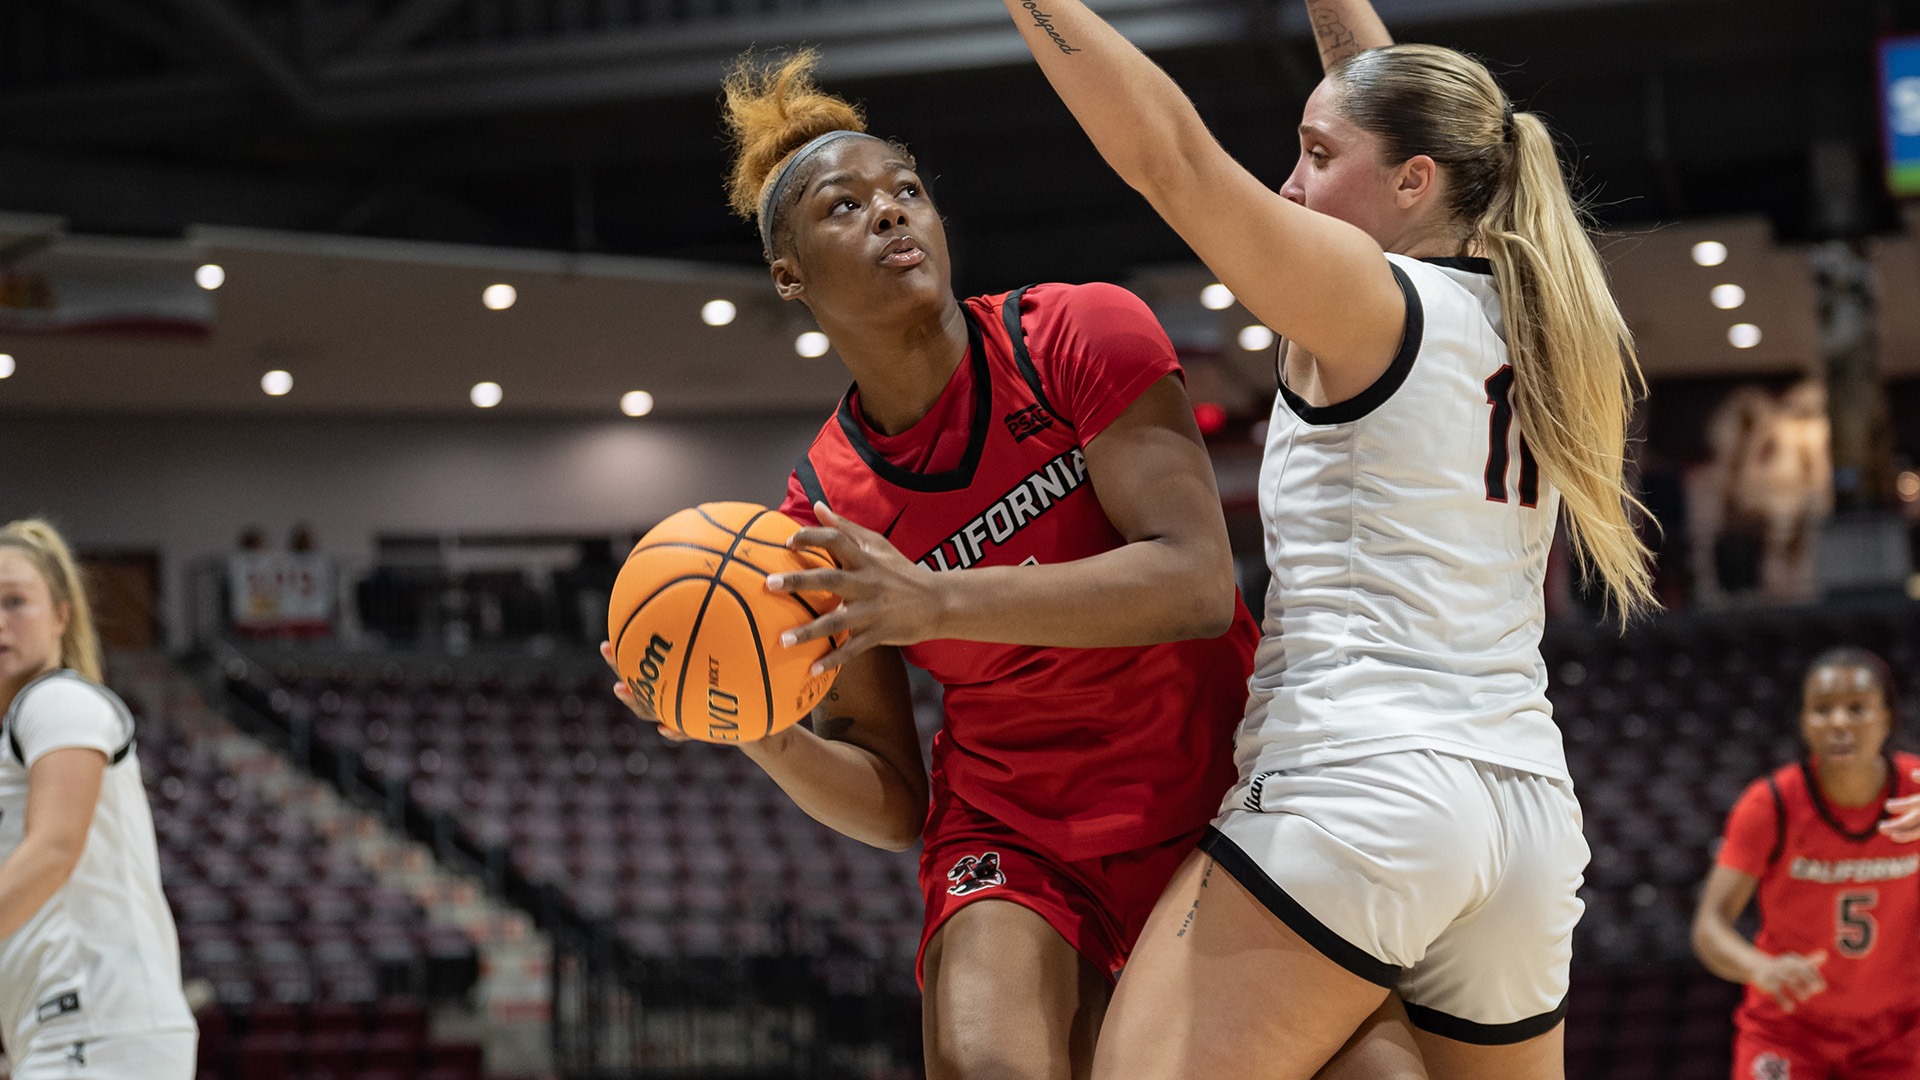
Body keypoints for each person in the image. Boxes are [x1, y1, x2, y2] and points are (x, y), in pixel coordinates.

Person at [602, 50, 1419, 1080]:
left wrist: (932, 597)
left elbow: (1198, 588)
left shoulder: (1079, 332)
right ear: (788, 275)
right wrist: (761, 734)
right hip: (1017, 834)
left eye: (907, 190)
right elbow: (897, 798)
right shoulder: (819, 512)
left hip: (1217, 797)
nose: (892, 213)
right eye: (845, 206)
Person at [999, 0, 1659, 1076]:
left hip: (1363, 784)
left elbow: (1169, 158)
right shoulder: (1534, 316)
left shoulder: (1371, 299)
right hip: (1526, 818)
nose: (1291, 185)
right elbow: (1384, 89)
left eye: (1315, 154)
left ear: (1416, 183)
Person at [0, 519, 196, 1078]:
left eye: (16, 602)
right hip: (72, 1030)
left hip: (95, 1024)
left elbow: (55, 850)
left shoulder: (58, 700)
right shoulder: (25, 722)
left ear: (62, 615)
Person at [1693, 647, 1920, 1079]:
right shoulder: (1771, 804)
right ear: (1803, 722)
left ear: (1888, 717)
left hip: (1899, 1030)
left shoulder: (1915, 791)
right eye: (1822, 709)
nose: (1838, 722)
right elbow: (1709, 925)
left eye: (1857, 708)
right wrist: (1760, 968)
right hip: (1787, 1028)